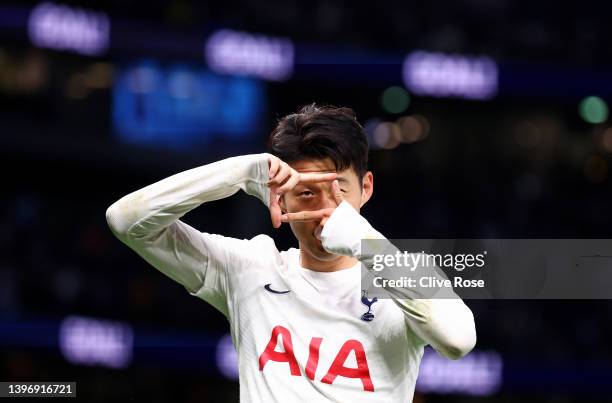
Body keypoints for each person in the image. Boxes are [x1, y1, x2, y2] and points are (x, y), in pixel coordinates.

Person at [106, 104, 476, 402]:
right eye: (306, 193)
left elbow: (458, 340)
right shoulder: (248, 267)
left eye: (339, 191)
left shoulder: (402, 274)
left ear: (366, 188)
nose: (324, 209)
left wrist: (365, 241)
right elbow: (125, 220)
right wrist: (234, 173)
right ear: (279, 198)